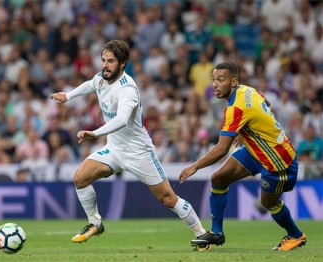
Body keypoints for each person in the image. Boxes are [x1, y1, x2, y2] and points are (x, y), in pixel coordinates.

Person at [50, 40, 206, 245]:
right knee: (80, 178)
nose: (105, 65)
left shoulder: (127, 89)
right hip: (114, 149)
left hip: (138, 152)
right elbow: (91, 84)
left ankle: (202, 234)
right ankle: (95, 223)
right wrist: (68, 96)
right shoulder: (101, 78)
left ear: (123, 63)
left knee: (168, 199)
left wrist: (95, 133)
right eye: (103, 60)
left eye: (111, 61)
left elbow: (122, 119)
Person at [179, 62, 307, 251]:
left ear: (233, 82)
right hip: (255, 150)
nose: (215, 84)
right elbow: (267, 104)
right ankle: (217, 233)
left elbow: (222, 149)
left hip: (278, 162)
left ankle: (296, 235)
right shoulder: (247, 90)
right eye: (213, 80)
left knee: (268, 202)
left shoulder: (236, 108)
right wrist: (249, 129)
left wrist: (195, 166)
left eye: (220, 80)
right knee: (219, 178)